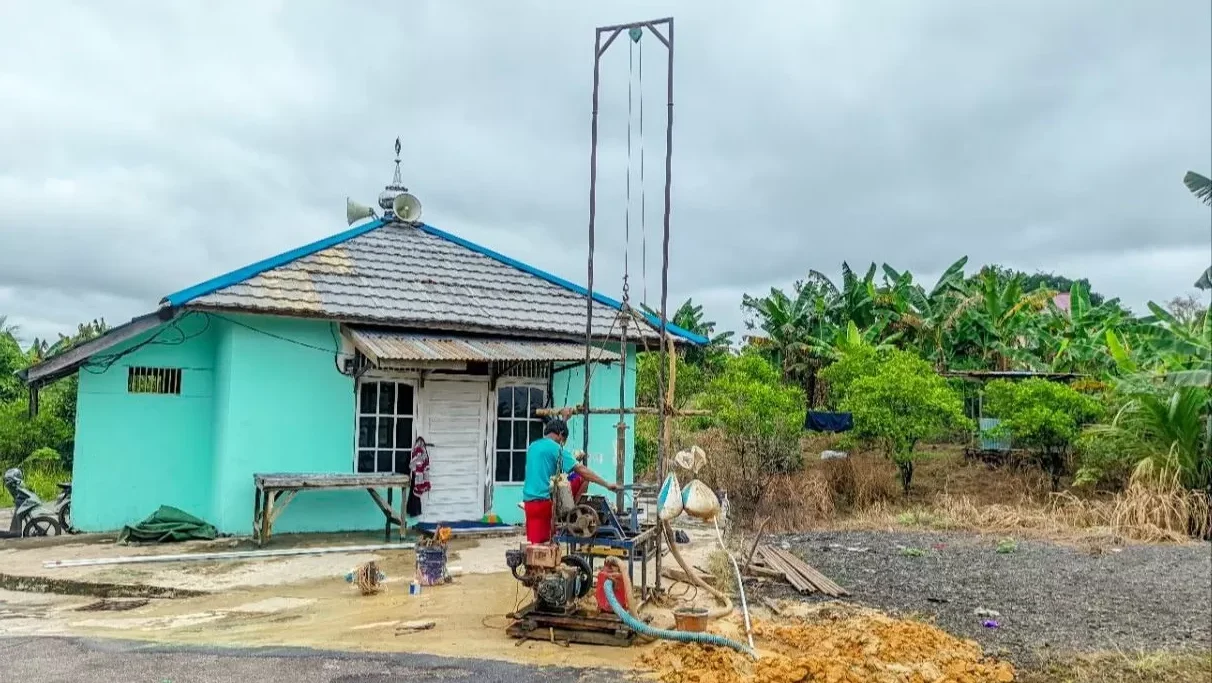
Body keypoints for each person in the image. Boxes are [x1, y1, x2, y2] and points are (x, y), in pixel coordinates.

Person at [522, 412, 620, 544]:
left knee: (534, 546)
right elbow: (582, 471)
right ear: (561, 435)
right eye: (563, 441)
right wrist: (607, 484)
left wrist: (564, 419)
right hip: (543, 503)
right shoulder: (556, 449)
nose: (562, 444)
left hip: (528, 503)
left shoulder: (533, 446)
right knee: (545, 548)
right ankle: (573, 512)